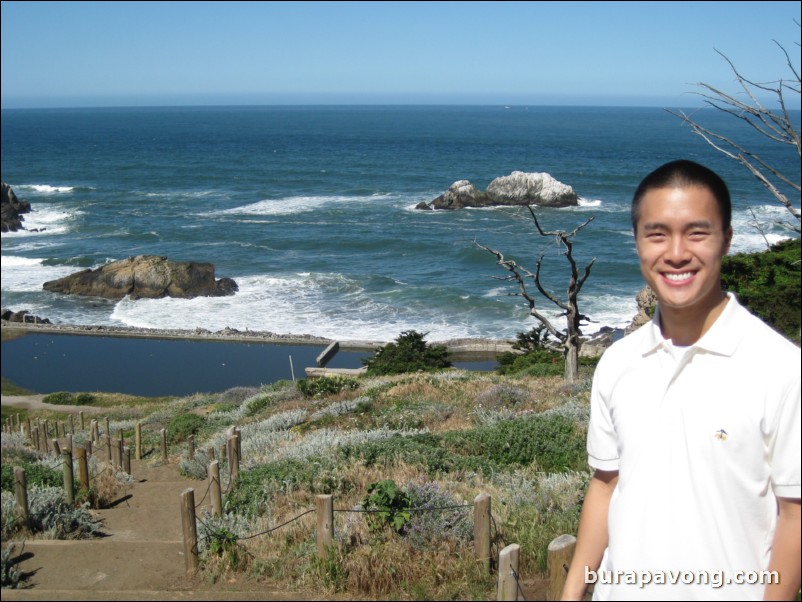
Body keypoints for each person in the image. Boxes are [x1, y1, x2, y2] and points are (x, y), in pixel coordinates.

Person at [561, 160, 801, 601]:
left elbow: (796, 516)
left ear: (727, 239)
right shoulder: (618, 362)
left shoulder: (782, 369)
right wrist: (572, 592)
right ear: (636, 242)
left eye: (697, 232)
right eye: (657, 234)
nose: (675, 253)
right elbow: (605, 484)